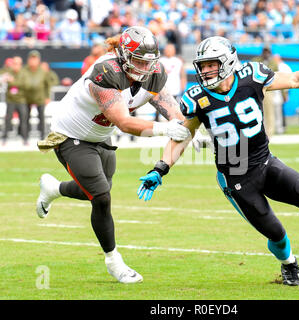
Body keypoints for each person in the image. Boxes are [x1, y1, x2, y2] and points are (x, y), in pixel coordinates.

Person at [137, 36, 299, 286]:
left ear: (227, 62)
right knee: (276, 234)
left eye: (210, 65)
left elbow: (294, 79)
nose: (205, 71)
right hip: (236, 179)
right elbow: (184, 136)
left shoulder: (253, 76)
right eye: (202, 66)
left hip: (266, 163)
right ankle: (289, 264)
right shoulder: (196, 98)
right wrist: (160, 169)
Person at [35, 26, 191, 284]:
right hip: (71, 137)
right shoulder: (106, 71)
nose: (144, 67)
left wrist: (187, 130)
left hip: (100, 137)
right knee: (101, 196)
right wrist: (166, 129)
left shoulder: (154, 73)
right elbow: (124, 122)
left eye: (148, 61)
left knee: (97, 189)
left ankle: (53, 189)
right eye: (138, 60)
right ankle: (113, 261)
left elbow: (171, 109)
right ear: (124, 55)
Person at [23, 50, 52, 140]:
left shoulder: (43, 71)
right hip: (27, 98)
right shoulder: (24, 70)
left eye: (35, 59)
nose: (33, 61)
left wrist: (47, 97)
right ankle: (25, 137)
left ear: (38, 60)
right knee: (25, 118)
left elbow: (47, 85)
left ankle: (42, 136)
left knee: (41, 118)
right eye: (31, 58)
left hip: (40, 97)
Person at [1, 56, 29, 145]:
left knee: (23, 120)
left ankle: (25, 139)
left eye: (17, 64)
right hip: (10, 100)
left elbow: (24, 84)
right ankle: (4, 138)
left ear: (20, 64)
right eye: (14, 63)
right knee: (8, 119)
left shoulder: (24, 73)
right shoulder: (8, 72)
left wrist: (12, 81)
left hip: (21, 99)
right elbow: (2, 80)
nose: (15, 65)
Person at [252, 46, 278, 138]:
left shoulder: (273, 63)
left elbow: (277, 77)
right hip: (257, 89)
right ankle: (258, 134)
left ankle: (269, 134)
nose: (266, 53)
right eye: (265, 51)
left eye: (268, 51)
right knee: (256, 112)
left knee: (269, 112)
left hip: (268, 90)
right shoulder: (256, 60)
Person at [158, 43, 187, 120]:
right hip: (162, 88)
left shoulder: (178, 61)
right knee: (159, 105)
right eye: (167, 49)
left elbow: (182, 75)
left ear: (174, 51)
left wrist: (183, 86)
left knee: (173, 107)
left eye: (170, 49)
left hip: (175, 88)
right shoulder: (160, 61)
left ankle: (173, 120)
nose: (168, 51)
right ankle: (156, 119)